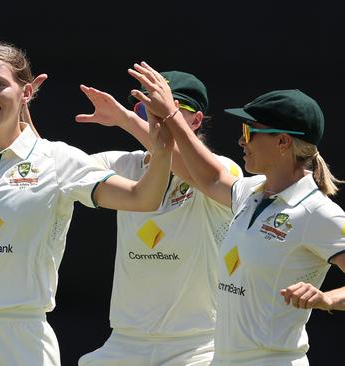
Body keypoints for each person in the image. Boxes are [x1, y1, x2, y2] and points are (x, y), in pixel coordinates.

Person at [0, 41, 174, 366]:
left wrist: (164, 146)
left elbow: (144, 198)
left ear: (26, 92)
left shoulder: (57, 160)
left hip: (22, 334)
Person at [129, 62, 345, 365]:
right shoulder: (251, 191)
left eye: (250, 131)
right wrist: (157, 118)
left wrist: (328, 299)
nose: (242, 141)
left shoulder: (318, 212)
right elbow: (207, 175)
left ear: (283, 141)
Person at [74, 71, 242, 366]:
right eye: (143, 107)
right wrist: (17, 110)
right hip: (125, 342)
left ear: (196, 120)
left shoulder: (224, 171)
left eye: (166, 108)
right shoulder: (120, 163)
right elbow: (46, 171)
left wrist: (128, 120)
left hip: (198, 347)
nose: (153, 117)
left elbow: (197, 169)